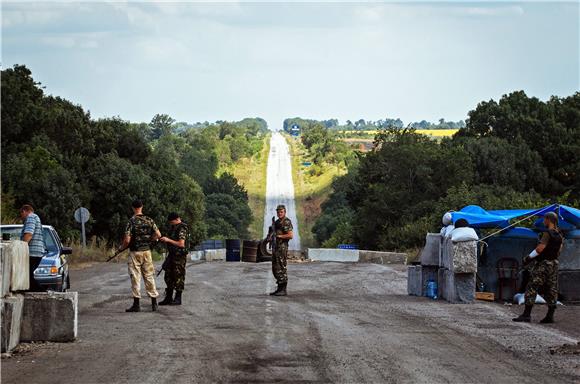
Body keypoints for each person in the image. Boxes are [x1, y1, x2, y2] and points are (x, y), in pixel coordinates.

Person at [513, 211, 563, 323]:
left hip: (543, 264)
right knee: (552, 289)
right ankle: (550, 316)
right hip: (554, 264)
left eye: (545, 219)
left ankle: (526, 314)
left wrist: (528, 258)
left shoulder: (547, 233)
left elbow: (540, 249)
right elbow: (559, 250)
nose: (544, 221)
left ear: (548, 220)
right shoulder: (559, 234)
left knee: (532, 286)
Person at [118, 200, 160, 313]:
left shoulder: (131, 221)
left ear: (133, 208)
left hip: (135, 252)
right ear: (142, 207)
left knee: (135, 277)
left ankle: (136, 304)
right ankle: (154, 303)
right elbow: (158, 235)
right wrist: (149, 240)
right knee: (149, 276)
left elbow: (127, 240)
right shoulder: (149, 220)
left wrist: (121, 248)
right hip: (147, 252)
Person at [158, 212, 189, 306]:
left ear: (177, 219)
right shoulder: (174, 228)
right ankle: (169, 297)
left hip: (179, 256)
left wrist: (168, 240)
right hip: (172, 255)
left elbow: (181, 244)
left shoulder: (182, 228)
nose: (171, 224)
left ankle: (178, 298)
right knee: (168, 276)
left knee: (178, 276)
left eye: (172, 222)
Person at [19, 204, 46, 291]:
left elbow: (29, 234)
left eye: (21, 215)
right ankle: (36, 291)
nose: (21, 217)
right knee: (28, 275)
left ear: (24, 211)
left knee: (27, 276)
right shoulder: (36, 217)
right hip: (37, 252)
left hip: (32, 252)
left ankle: (43, 292)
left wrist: (22, 247)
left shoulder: (30, 217)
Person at [270, 204, 293, 297]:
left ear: (285, 212)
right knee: (275, 268)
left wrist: (279, 236)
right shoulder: (276, 222)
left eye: (281, 212)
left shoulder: (286, 222)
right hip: (276, 247)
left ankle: (283, 289)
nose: (279, 213)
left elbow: (290, 235)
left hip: (282, 248)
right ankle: (279, 288)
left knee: (281, 267)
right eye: (278, 212)